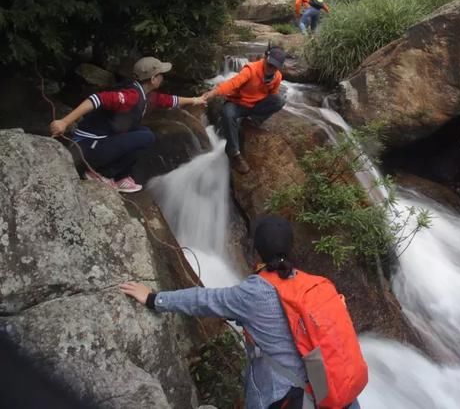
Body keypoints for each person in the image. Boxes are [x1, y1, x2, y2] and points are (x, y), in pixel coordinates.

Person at [120, 215, 363, 409]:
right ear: (290, 248)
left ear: (256, 251)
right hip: (335, 391)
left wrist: (153, 298)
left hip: (286, 397)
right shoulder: (315, 284)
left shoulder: (254, 293)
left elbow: (203, 300)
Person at [50, 57, 207, 193]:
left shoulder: (143, 93)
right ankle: (101, 174)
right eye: (161, 75)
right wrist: (64, 122)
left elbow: (168, 100)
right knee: (147, 137)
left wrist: (195, 100)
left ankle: (120, 177)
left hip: (100, 141)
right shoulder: (130, 95)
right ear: (153, 79)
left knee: (143, 131)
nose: (162, 78)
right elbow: (96, 99)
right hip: (86, 147)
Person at [202, 47, 286, 174]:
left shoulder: (277, 76)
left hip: (254, 105)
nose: (271, 68)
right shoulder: (250, 70)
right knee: (227, 113)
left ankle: (252, 121)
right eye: (269, 64)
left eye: (275, 66)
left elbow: (273, 94)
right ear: (265, 58)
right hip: (237, 103)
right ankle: (234, 153)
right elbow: (232, 83)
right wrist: (214, 92)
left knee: (279, 100)